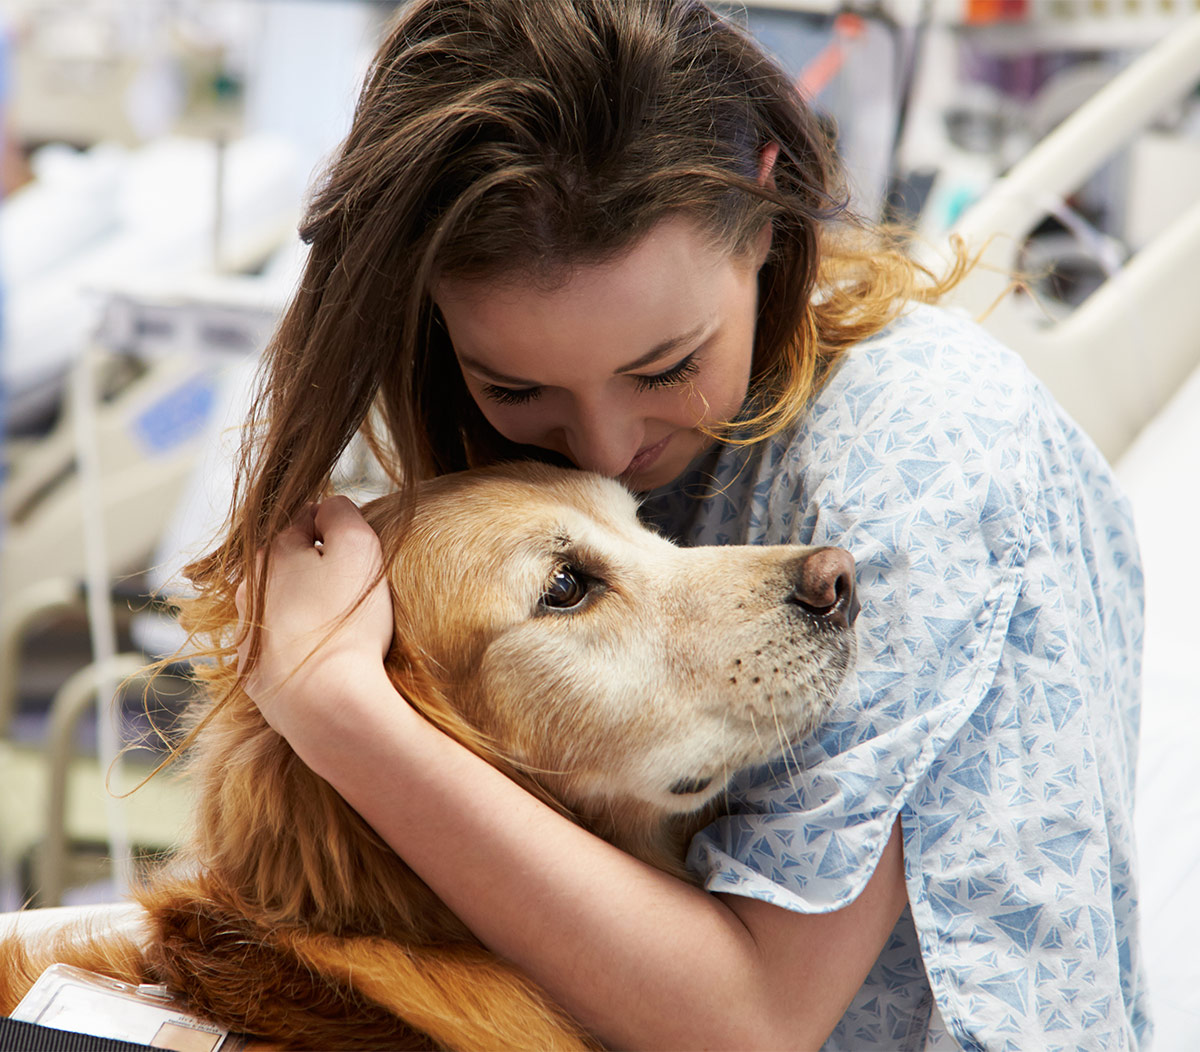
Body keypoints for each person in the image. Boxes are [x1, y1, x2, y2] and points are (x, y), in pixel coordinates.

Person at [194, 1, 1149, 1047]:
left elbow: (755, 1024)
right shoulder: (483, 451)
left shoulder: (921, 457)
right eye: (514, 385)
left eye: (665, 368)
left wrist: (339, 717)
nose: (601, 449)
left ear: (771, 218)